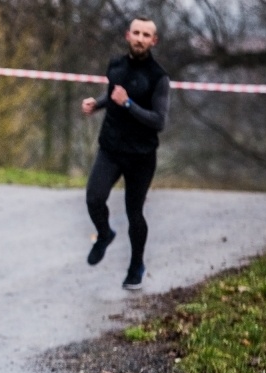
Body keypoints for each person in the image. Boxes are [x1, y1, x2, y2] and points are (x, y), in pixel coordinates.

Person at [81, 17, 170, 290]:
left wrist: (128, 103)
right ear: (127, 35)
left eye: (146, 35)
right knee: (94, 198)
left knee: (135, 214)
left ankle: (136, 267)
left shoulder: (159, 77)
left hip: (141, 156)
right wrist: (97, 104)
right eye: (136, 33)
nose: (140, 38)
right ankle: (105, 233)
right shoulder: (116, 65)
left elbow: (159, 121)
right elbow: (114, 94)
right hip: (111, 148)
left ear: (153, 41)